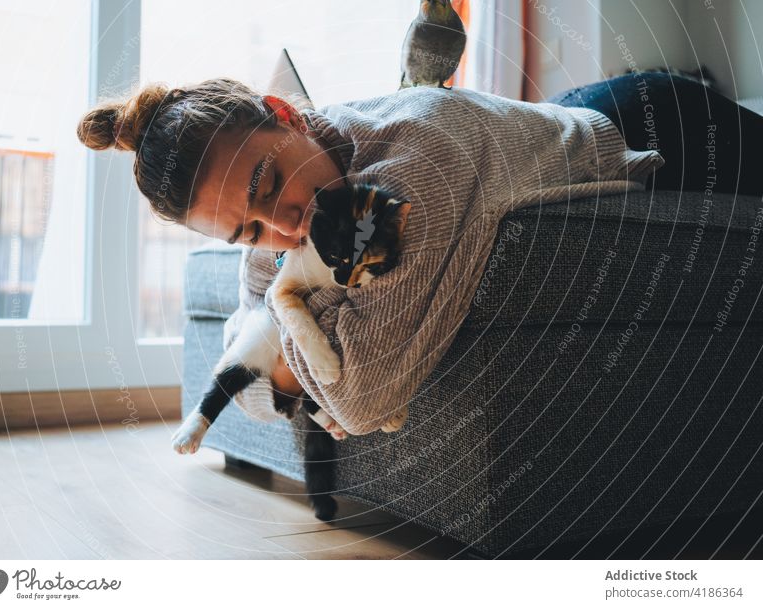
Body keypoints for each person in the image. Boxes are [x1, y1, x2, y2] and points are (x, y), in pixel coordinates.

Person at [76, 72, 762, 436]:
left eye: (268, 182)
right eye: (248, 232)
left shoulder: (414, 170)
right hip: (544, 120)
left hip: (656, 127)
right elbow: (250, 375)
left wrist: (285, 317)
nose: (283, 227)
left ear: (283, 114)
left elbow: (363, 396)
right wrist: (292, 322)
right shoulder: (287, 220)